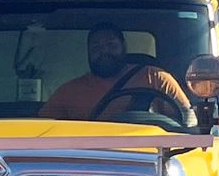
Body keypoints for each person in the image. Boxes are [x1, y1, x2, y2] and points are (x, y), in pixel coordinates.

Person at [40, 25, 194, 125]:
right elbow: (41, 128)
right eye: (96, 47)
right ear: (88, 53)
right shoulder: (69, 92)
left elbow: (189, 121)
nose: (104, 51)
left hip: (153, 158)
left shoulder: (155, 78)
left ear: (124, 47)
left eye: (111, 45)